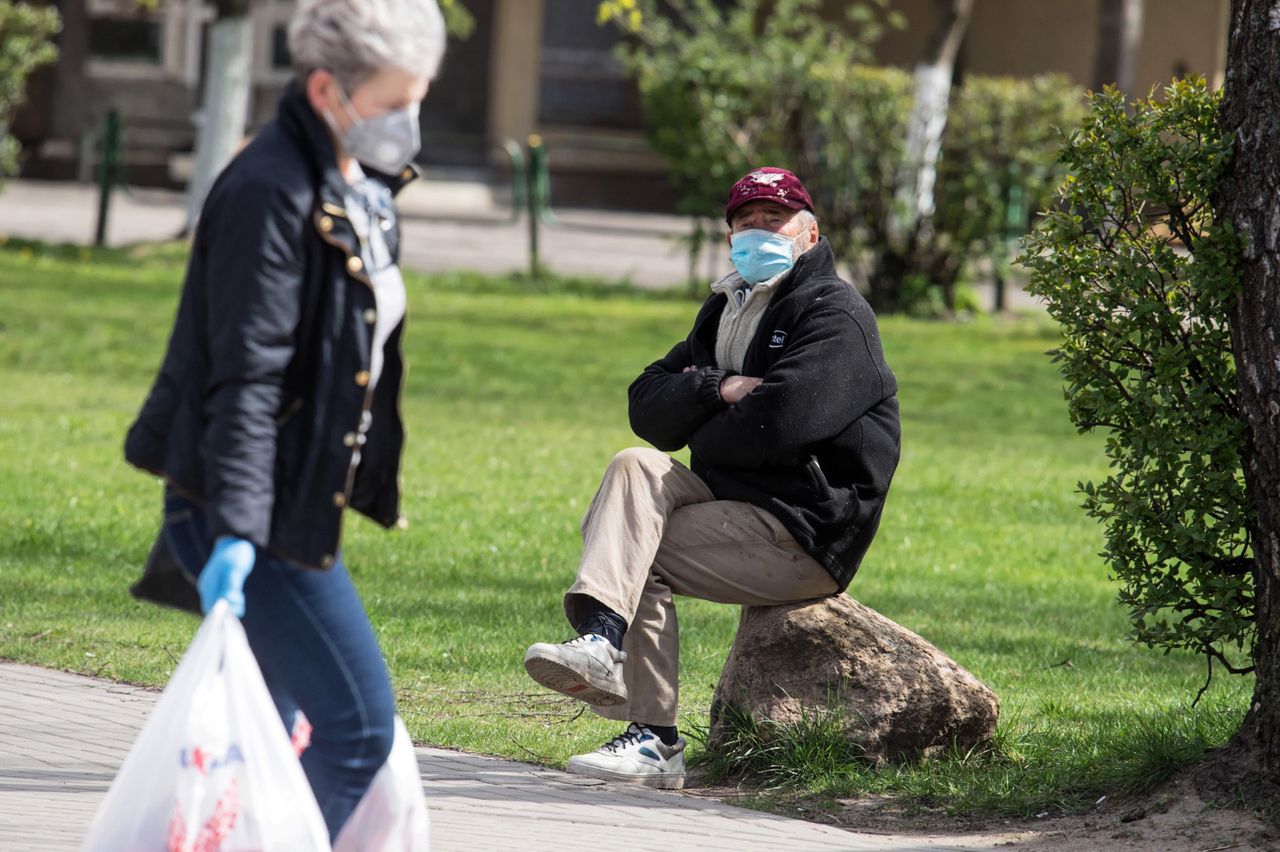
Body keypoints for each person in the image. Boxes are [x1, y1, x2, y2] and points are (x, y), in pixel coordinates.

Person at [123, 0, 445, 841]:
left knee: (266, 741)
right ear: (325, 89)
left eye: (419, 98)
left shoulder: (350, 181)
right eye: (392, 103)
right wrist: (234, 529)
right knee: (357, 731)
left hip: (293, 505)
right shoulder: (271, 190)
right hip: (253, 516)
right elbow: (249, 378)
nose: (408, 122)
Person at [523, 167, 901, 789]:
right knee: (633, 464)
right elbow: (646, 405)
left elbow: (776, 426)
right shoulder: (725, 309)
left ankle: (654, 738)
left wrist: (704, 414)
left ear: (808, 234)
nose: (758, 232)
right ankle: (601, 644)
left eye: (773, 221)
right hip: (732, 506)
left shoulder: (835, 314)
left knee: (634, 551)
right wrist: (718, 388)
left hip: (804, 531)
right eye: (745, 223)